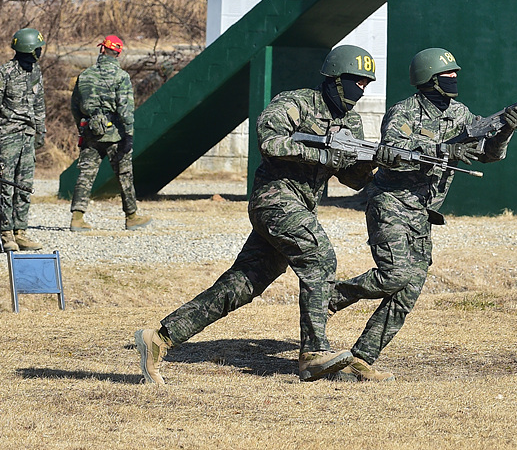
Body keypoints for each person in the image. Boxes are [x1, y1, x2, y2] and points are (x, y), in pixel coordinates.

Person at [134, 45, 378, 384]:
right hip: (273, 200)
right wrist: (322, 153)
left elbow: (352, 179)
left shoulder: (350, 121)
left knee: (241, 285)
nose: (361, 90)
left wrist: (372, 163)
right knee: (319, 257)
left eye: (367, 84)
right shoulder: (295, 103)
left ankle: (159, 339)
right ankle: (314, 353)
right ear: (335, 79)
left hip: (299, 207)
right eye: (356, 81)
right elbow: (270, 140)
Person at [325, 48, 517, 382]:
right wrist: (444, 150)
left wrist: (506, 130)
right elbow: (391, 155)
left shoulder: (461, 114)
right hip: (390, 202)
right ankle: (331, 297)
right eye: (448, 75)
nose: (454, 79)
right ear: (429, 79)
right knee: (394, 276)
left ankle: (361, 359)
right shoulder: (404, 112)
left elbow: (487, 154)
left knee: (408, 290)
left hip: (423, 213)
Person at [69, 35, 151, 232]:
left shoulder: (85, 75)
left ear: (102, 50)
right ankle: (131, 217)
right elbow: (125, 109)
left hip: (91, 133)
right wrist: (129, 135)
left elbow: (74, 106)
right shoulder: (121, 77)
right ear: (118, 53)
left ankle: (77, 218)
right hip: (115, 134)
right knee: (124, 175)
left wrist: (82, 128)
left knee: (86, 175)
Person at [0, 27, 46, 252]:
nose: (40, 52)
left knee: (24, 185)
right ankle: (6, 233)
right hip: (7, 136)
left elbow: (39, 102)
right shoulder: (4, 72)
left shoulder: (36, 72)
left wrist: (41, 130)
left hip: (27, 136)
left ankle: (21, 231)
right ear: (28, 49)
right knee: (6, 185)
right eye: (37, 48)